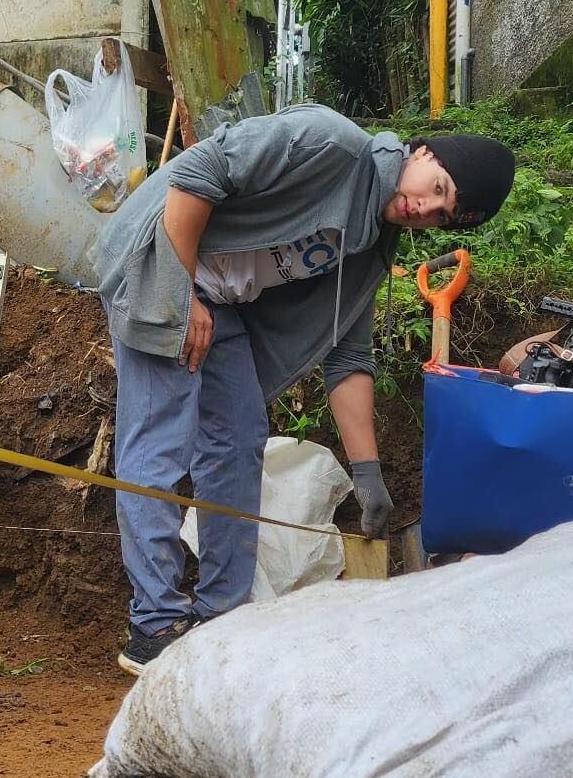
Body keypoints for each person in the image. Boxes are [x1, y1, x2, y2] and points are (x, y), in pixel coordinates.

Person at [98, 105, 515, 675]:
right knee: (159, 444)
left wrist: (367, 475)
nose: (426, 208)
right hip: (157, 261)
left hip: (221, 301)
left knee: (239, 437)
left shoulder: (372, 247)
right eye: (436, 187)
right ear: (422, 153)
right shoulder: (330, 144)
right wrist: (180, 295)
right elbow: (197, 173)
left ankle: (221, 614)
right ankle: (154, 626)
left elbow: (348, 356)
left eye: (442, 215)